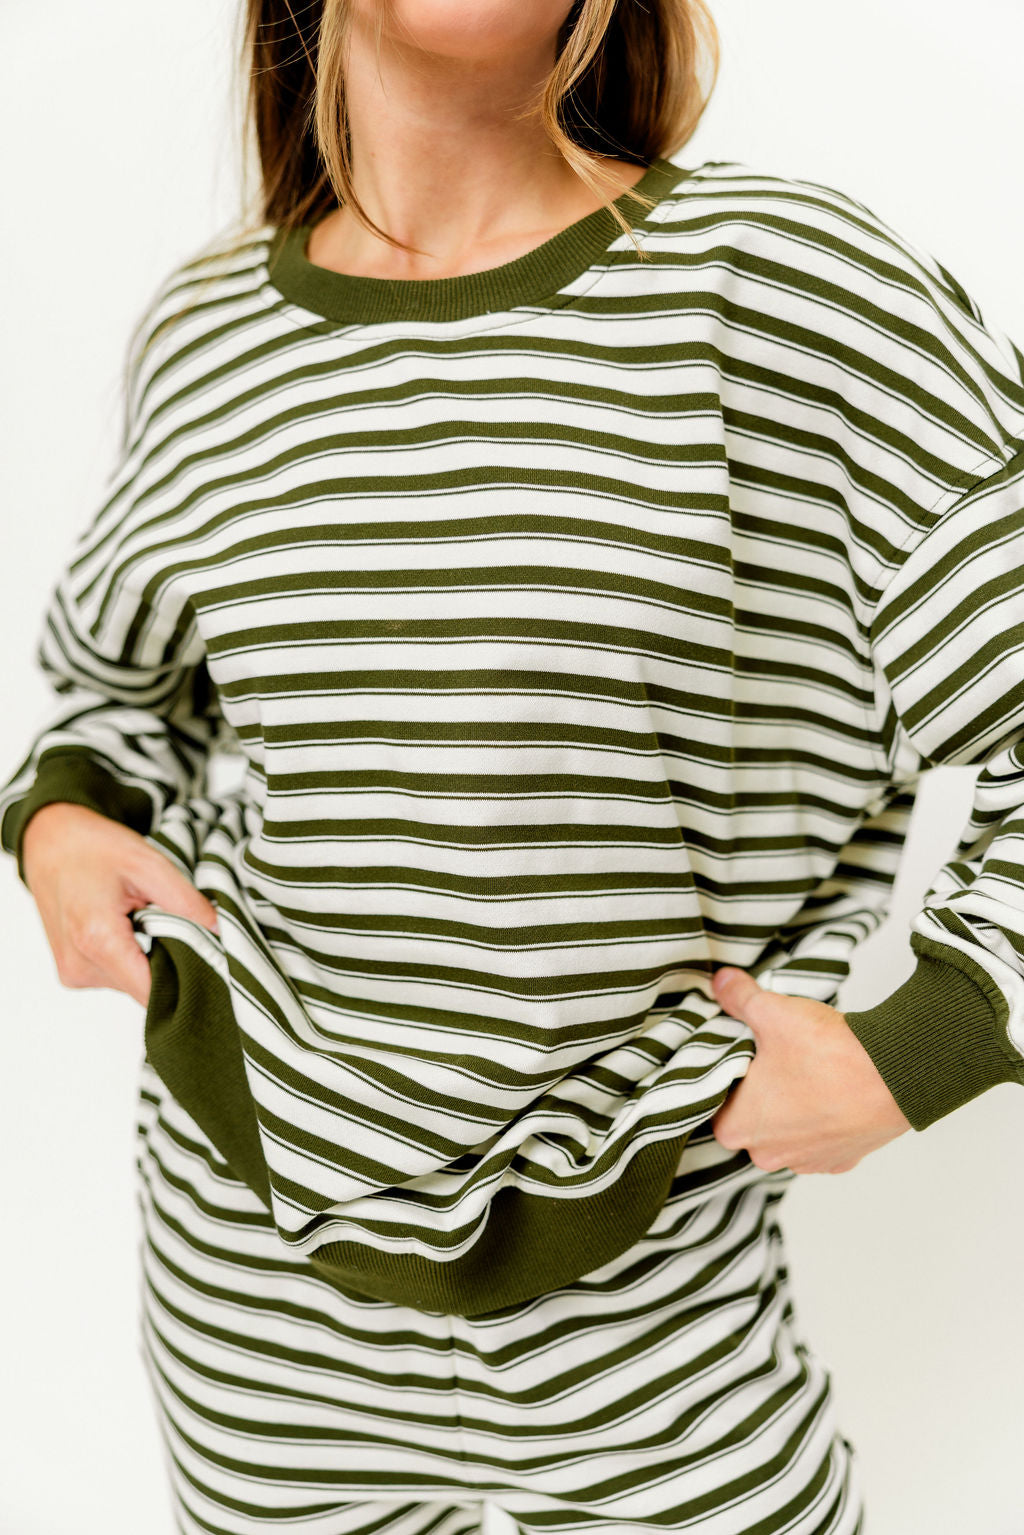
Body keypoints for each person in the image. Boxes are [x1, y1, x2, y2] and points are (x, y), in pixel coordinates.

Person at [4, 0, 1024, 1530]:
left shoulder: (785, 287)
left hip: (653, 1295)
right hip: (251, 1291)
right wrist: (66, 822)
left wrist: (923, 1046)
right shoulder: (210, 338)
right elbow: (115, 693)